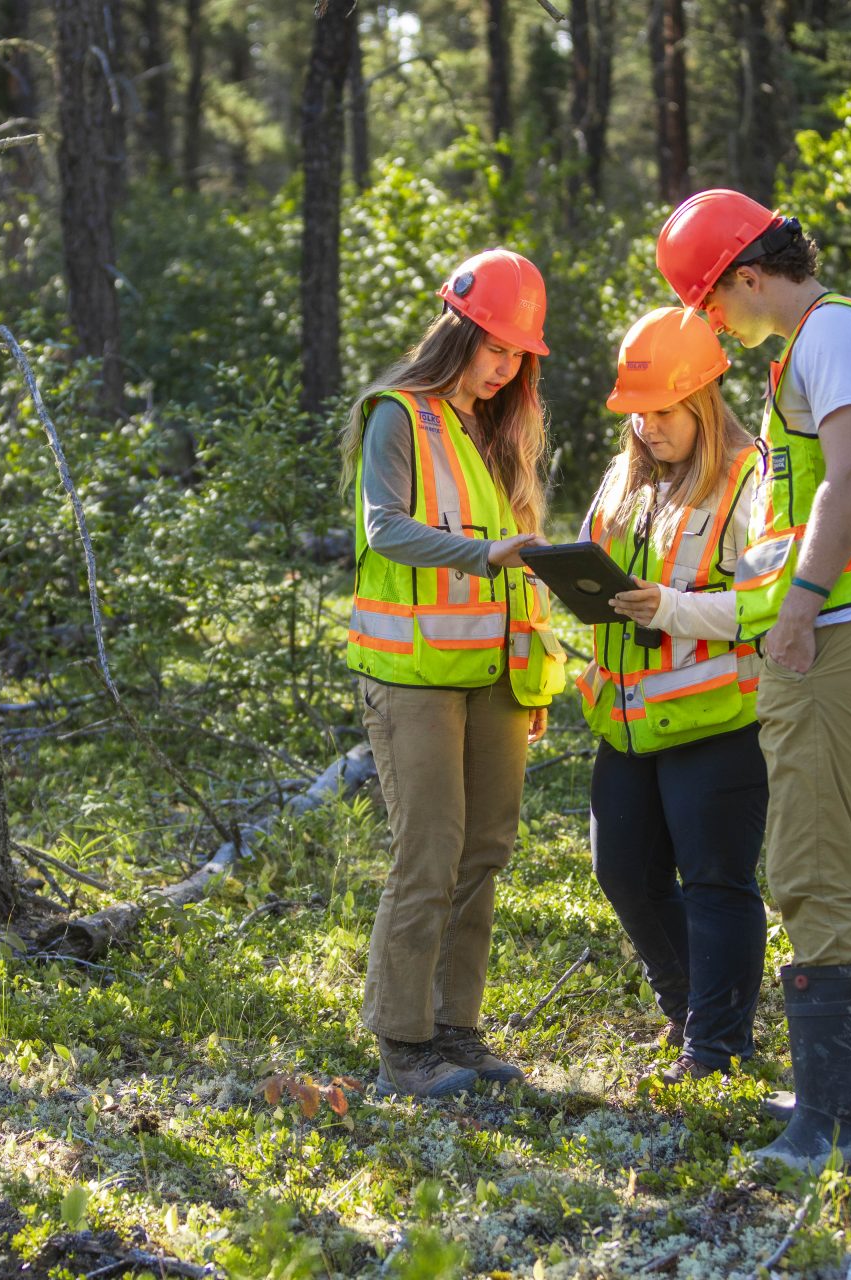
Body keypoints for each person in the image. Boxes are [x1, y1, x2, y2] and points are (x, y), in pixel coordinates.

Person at [655, 190, 851, 1169]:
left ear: (748, 277)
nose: (716, 326)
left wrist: (800, 600)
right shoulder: (822, 342)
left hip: (835, 626)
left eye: (712, 306)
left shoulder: (830, 334)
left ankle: (834, 1124)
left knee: (809, 862)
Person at [341, 247, 568, 1099]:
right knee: (428, 850)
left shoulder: (498, 429)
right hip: (415, 673)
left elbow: (523, 561)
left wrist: (531, 673)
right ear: (457, 329)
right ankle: (403, 1046)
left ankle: (456, 1030)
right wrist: (483, 554)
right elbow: (384, 529)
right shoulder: (399, 414)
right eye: (493, 347)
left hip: (497, 677)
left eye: (518, 356)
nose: (504, 366)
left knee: (485, 851)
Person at [578, 307, 768, 1085]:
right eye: (637, 413)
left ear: (700, 401)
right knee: (622, 869)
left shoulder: (749, 477)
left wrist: (671, 609)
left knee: (717, 880)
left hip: (715, 719)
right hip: (625, 716)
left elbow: (769, 603)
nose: (647, 428)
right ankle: (687, 1004)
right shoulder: (629, 474)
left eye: (661, 413)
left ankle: (717, 1047)